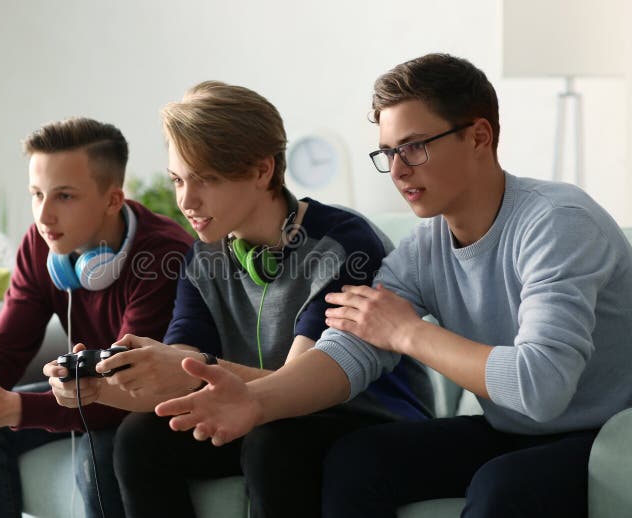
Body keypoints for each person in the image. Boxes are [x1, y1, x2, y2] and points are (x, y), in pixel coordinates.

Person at [156, 54, 632, 517]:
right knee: (357, 461)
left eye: (414, 147)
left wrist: (409, 334)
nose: (399, 169)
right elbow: (350, 349)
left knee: (503, 486)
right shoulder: (425, 248)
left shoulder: (557, 222)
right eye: (388, 152)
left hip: (610, 433)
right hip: (516, 428)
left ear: (479, 136)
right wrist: (257, 400)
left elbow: (540, 387)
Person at [44, 81, 434, 518]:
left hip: (361, 418)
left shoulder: (343, 245)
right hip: (255, 412)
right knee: (139, 437)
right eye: (178, 180)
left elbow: (299, 384)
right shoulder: (203, 257)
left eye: (206, 180)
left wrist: (188, 369)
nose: (186, 201)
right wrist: (101, 388)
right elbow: (183, 372)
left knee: (276, 442)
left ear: (262, 170)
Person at [0, 117, 193, 518]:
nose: (44, 216)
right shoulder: (41, 245)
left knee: (99, 452)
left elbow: (127, 391)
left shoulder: (161, 255)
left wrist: (14, 407)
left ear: (112, 200)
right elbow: (5, 352)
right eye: (37, 194)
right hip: (86, 390)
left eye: (64, 196)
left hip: (145, 405)